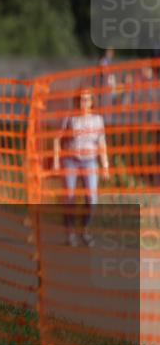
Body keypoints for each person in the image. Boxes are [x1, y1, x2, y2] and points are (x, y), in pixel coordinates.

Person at [53, 87, 109, 247]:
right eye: (82, 99)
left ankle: (85, 230)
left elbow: (102, 142)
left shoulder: (98, 120)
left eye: (88, 99)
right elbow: (57, 139)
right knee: (69, 197)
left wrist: (105, 165)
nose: (84, 102)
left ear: (92, 101)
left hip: (90, 161)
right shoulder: (70, 117)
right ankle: (70, 233)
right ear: (78, 101)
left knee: (92, 198)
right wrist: (56, 161)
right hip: (70, 160)